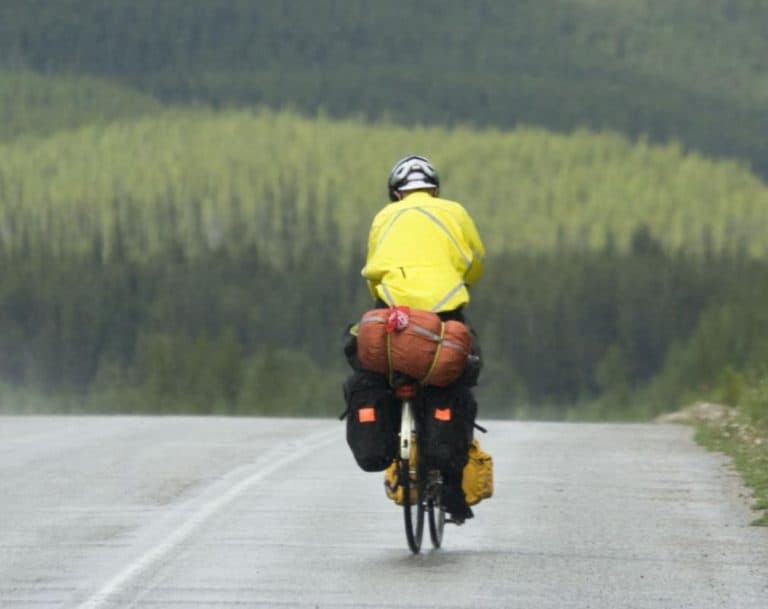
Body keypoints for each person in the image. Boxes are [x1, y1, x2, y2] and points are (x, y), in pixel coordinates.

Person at [344, 154, 486, 523]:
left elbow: (372, 272)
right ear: (434, 189)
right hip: (443, 315)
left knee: (369, 366)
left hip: (394, 314)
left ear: (395, 193)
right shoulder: (454, 212)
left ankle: (389, 440)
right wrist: (456, 284)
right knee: (460, 377)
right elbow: (476, 263)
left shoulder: (382, 217)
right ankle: (451, 485)